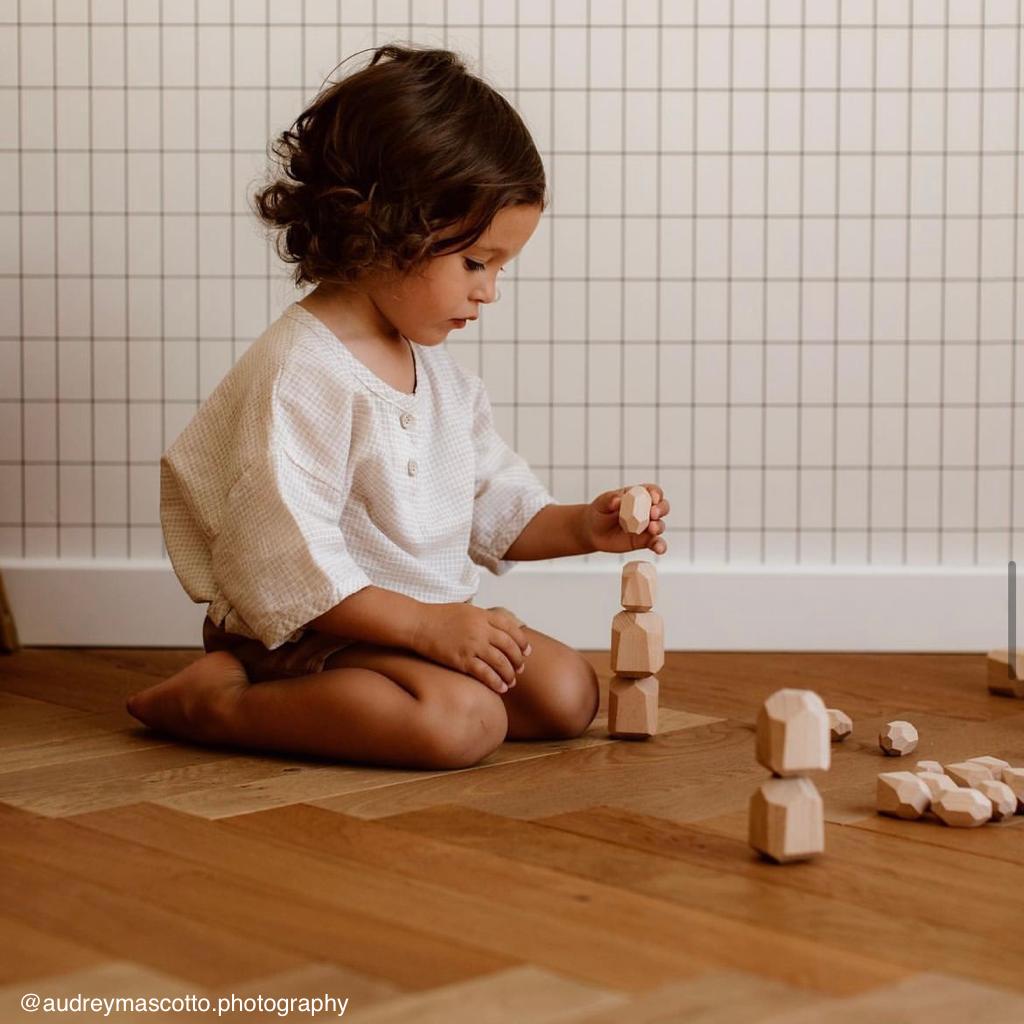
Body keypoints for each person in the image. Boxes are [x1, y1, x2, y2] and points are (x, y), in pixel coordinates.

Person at [125, 44, 671, 771]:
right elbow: (287, 563)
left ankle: (403, 675)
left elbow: (490, 503)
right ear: (386, 226)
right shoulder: (302, 372)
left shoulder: (438, 375)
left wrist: (584, 525)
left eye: (501, 268)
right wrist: (425, 628)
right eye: (475, 262)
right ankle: (219, 701)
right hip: (308, 631)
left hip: (419, 628)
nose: (489, 291)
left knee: (566, 694)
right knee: (462, 723)